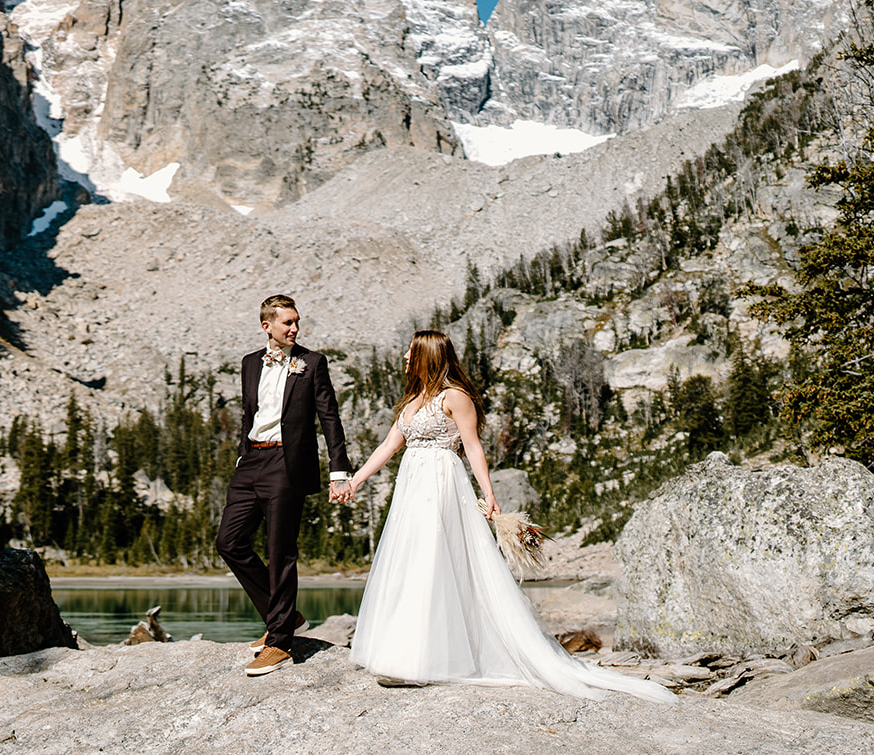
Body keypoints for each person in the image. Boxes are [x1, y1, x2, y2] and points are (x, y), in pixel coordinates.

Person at [335, 329, 675, 704]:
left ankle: (423, 659)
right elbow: (388, 445)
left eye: (410, 352)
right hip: (411, 489)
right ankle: (402, 651)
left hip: (441, 485)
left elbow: (473, 446)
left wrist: (488, 493)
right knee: (409, 562)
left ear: (428, 356)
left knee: (432, 562)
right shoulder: (413, 400)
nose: (403, 358)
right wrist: (355, 481)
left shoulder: (456, 397)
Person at [216, 294, 353, 676]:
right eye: (287, 323)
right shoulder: (248, 364)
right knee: (229, 542)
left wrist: (338, 470)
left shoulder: (311, 363)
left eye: (296, 322)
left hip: (286, 464)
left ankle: (279, 643)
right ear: (267, 326)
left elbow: (330, 418)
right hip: (251, 461)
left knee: (280, 551)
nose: (295, 328)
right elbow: (250, 413)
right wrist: (244, 454)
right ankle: (285, 617)